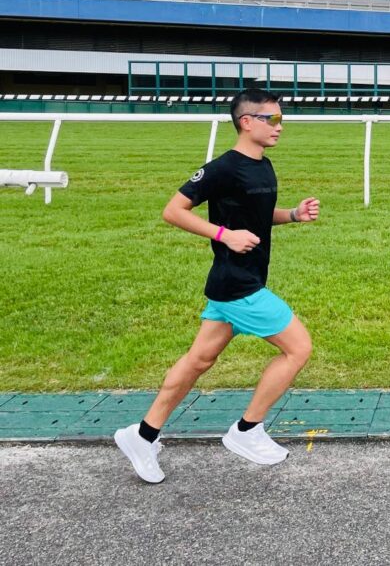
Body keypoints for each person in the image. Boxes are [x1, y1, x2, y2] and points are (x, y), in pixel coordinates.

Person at [115, 88, 320, 484]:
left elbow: (258, 216)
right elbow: (173, 211)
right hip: (237, 283)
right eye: (272, 119)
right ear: (247, 122)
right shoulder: (223, 168)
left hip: (235, 282)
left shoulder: (264, 166)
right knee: (298, 348)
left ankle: (142, 436)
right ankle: (246, 431)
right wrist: (223, 234)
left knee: (198, 361)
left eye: (281, 119)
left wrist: (293, 215)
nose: (280, 126)